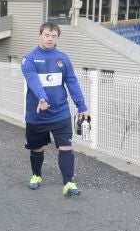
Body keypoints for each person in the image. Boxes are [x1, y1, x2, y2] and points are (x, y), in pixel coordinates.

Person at [20, 22, 89, 197]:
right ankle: (36, 175)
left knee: (66, 146)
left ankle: (68, 183)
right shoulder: (29, 58)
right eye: (46, 35)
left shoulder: (63, 59)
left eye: (53, 36)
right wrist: (42, 98)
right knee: (37, 148)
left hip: (60, 113)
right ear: (40, 35)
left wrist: (82, 106)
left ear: (57, 38)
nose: (50, 39)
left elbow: (72, 82)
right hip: (37, 114)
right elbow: (32, 80)